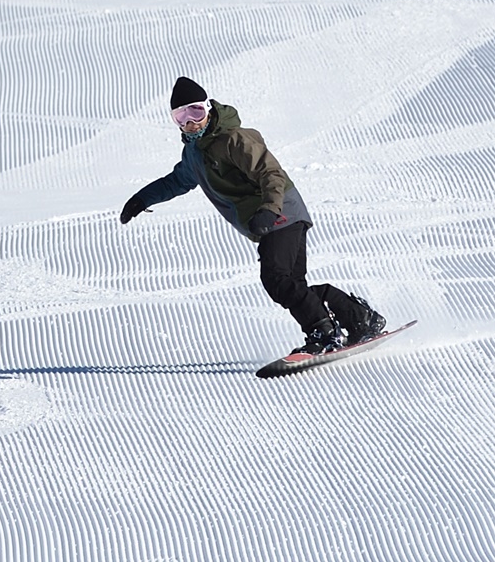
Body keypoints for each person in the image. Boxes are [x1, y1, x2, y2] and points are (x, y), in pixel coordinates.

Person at [119, 75, 385, 358]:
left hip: (281, 212)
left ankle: (324, 333)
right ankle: (357, 317)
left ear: (208, 109)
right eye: (181, 116)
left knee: (277, 280)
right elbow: (177, 181)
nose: (190, 122)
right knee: (291, 287)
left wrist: (270, 209)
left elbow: (270, 173)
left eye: (195, 111)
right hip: (270, 219)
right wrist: (142, 199)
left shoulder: (235, 139)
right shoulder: (194, 153)